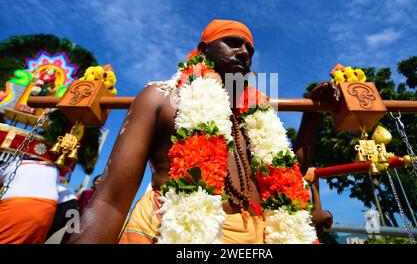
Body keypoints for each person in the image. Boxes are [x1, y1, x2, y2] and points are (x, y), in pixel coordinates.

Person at [68, 19, 333, 244]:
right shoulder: (161, 97)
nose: (244, 52)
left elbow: (290, 175)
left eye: (249, 49)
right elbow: (111, 199)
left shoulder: (258, 116)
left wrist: (312, 116)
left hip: (258, 234)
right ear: (203, 49)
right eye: (233, 43)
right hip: (172, 228)